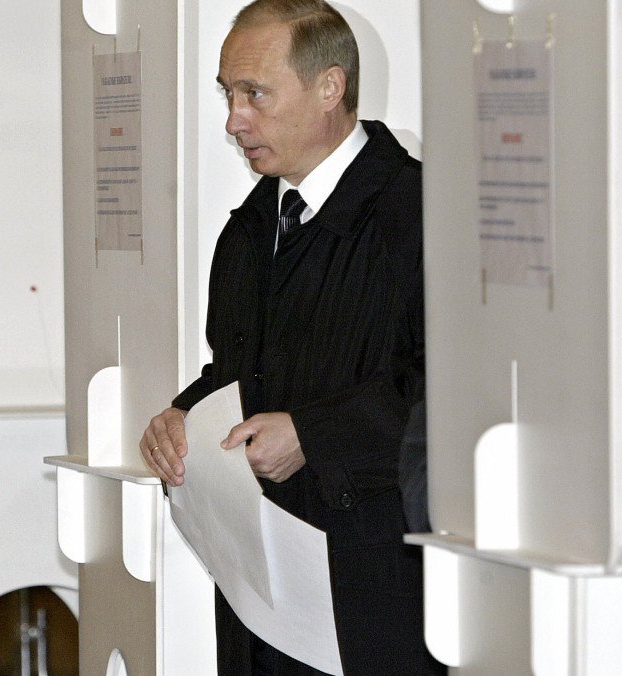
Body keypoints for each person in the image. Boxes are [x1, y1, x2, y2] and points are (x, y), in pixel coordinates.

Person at [140, 1, 439, 673]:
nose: (233, 120)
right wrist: (182, 414)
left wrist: (315, 433)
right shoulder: (249, 229)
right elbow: (243, 371)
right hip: (261, 600)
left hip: (376, 598)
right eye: (228, 94)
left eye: (255, 94)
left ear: (329, 88)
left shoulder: (419, 215)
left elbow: (449, 391)